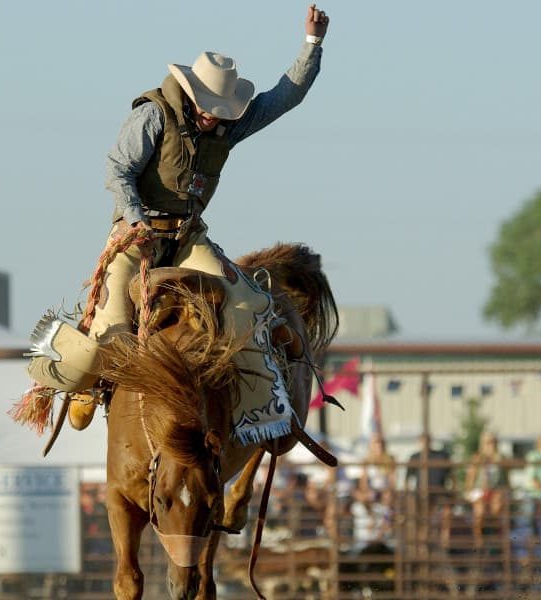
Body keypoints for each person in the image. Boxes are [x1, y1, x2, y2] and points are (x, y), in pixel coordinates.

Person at [35, 4, 331, 432]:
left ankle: (253, 409)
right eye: (208, 107)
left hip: (189, 236)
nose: (214, 115)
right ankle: (86, 384)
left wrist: (312, 43)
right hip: (136, 236)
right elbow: (118, 169)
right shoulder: (152, 115)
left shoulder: (230, 125)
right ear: (190, 95)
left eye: (221, 109)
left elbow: (288, 95)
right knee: (113, 321)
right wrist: (136, 221)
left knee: (248, 304)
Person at [464, 431, 509, 545]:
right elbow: (471, 477)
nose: (491, 445)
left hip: (496, 490)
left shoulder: (501, 458)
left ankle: (496, 536)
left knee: (497, 506)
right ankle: (478, 539)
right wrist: (468, 491)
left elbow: (506, 477)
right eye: (488, 442)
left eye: (493, 442)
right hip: (479, 489)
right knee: (480, 510)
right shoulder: (477, 457)